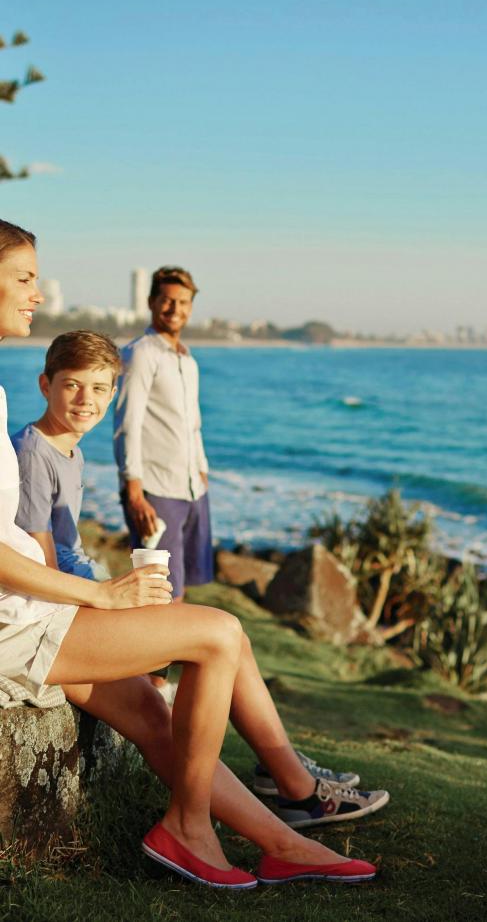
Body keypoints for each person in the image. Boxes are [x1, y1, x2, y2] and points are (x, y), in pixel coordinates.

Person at [0, 218, 379, 887]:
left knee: (153, 713)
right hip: (20, 625)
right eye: (25, 278)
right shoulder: (34, 435)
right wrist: (99, 594)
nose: (37, 294)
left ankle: (280, 839)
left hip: (35, 616)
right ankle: (191, 827)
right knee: (219, 633)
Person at [113, 265, 212, 602]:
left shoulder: (188, 360)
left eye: (183, 302)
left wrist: (202, 469)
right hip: (155, 490)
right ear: (152, 302)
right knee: (160, 595)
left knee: (182, 591)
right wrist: (134, 490)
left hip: (192, 488)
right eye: (167, 300)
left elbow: (192, 422)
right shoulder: (140, 354)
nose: (175, 309)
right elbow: (127, 423)